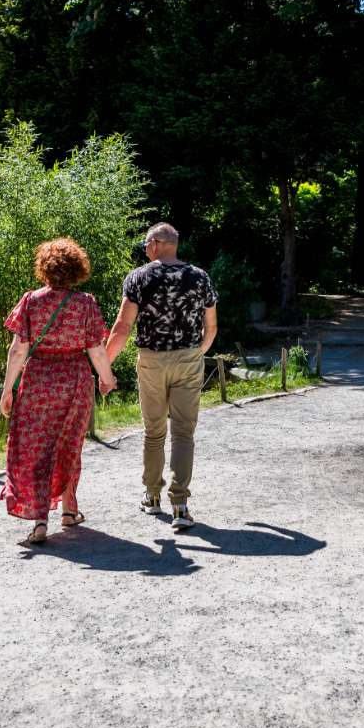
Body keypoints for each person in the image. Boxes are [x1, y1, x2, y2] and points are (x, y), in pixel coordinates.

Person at [0, 238, 118, 546]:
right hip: (74, 380)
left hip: (37, 381)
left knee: (36, 448)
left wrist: (7, 390)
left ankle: (40, 521)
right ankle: (69, 510)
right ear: (77, 269)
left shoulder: (30, 301)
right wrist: (106, 379)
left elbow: (18, 350)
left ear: (45, 268)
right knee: (69, 444)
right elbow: (96, 349)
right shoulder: (85, 303)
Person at [102, 222, 217, 529]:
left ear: (155, 243)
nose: (145, 250)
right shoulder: (200, 277)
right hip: (189, 358)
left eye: (146, 245)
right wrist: (197, 352)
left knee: (154, 432)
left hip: (152, 360)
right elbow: (211, 326)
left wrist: (104, 368)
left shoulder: (139, 277)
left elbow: (122, 327)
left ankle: (152, 496)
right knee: (183, 433)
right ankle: (180, 506)